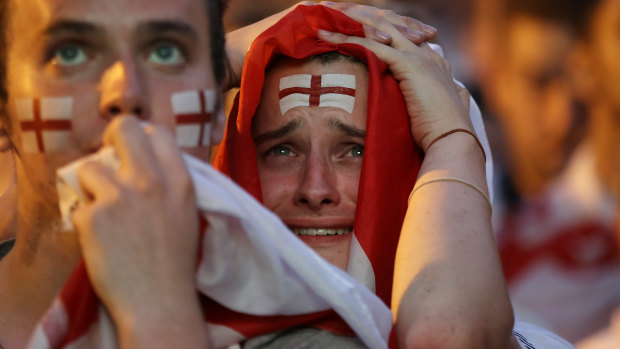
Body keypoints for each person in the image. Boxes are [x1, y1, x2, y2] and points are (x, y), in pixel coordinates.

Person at [0, 0, 437, 347]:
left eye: (164, 51)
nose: (126, 94)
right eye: (70, 52)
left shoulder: (311, 338)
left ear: (214, 110)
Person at [214, 4, 573, 348]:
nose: (315, 187)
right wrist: (222, 58)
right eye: (282, 150)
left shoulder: (522, 338)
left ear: (425, 166)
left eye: (356, 151)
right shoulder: (185, 326)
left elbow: (446, 337)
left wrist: (453, 139)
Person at [470, 0, 620, 342]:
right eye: (539, 83)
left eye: (581, 83)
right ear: (496, 81)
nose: (564, 116)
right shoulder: (447, 207)